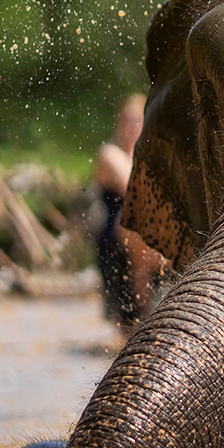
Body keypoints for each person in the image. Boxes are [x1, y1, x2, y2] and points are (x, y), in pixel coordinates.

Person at [94, 94, 161, 328]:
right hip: (120, 235)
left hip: (154, 231)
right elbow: (133, 188)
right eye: (128, 122)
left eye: (138, 122)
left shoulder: (156, 153)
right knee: (139, 226)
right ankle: (141, 316)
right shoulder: (109, 154)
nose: (133, 128)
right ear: (118, 124)